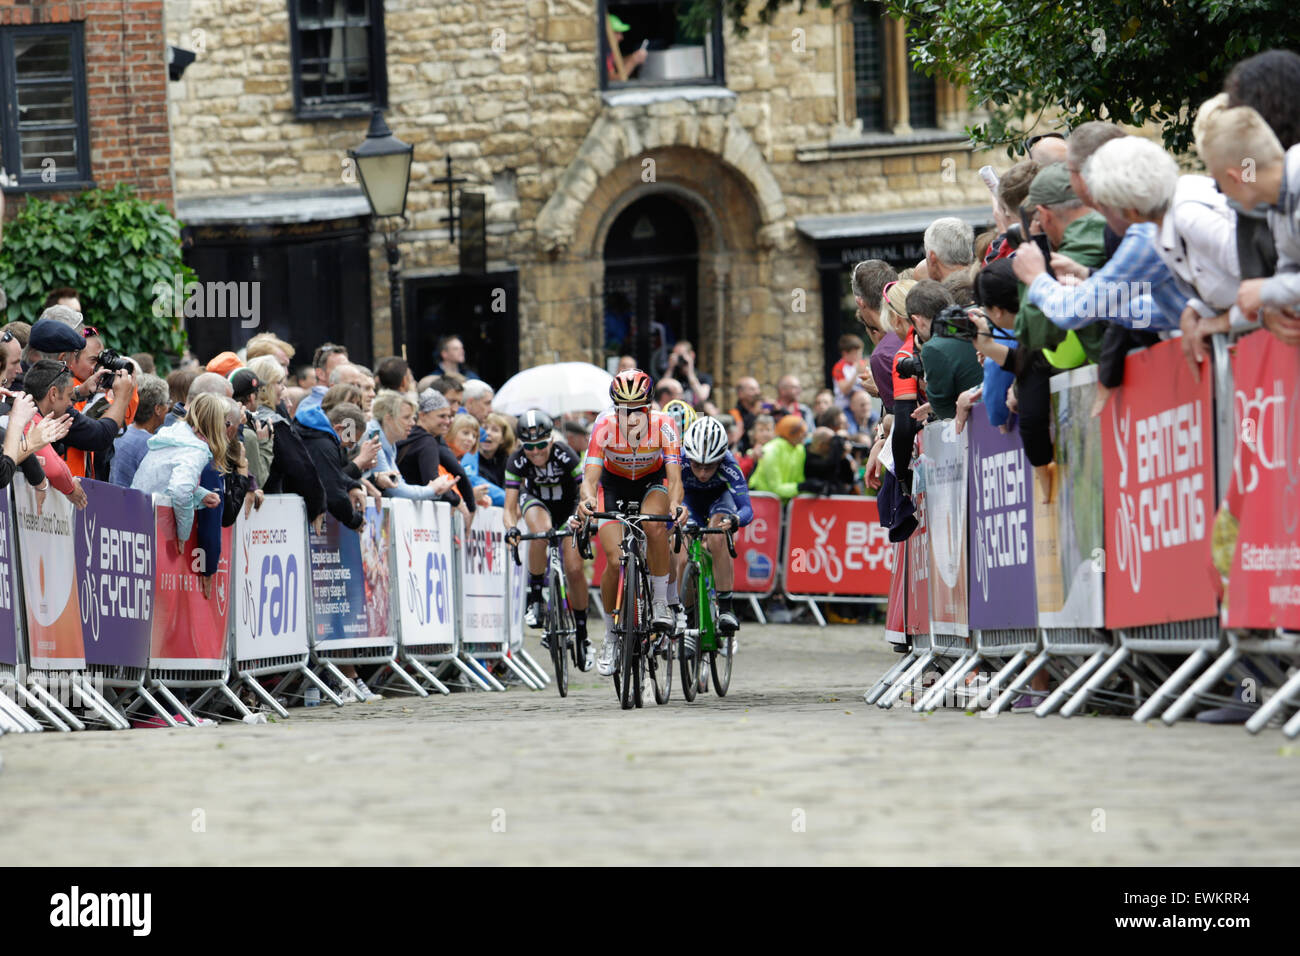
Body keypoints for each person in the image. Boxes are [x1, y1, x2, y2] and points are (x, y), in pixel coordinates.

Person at [575, 368, 684, 675]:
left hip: (652, 483)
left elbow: (674, 476)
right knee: (612, 561)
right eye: (624, 410)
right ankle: (611, 635)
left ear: (650, 407)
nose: (631, 417)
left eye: (638, 410)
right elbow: (590, 477)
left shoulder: (666, 424)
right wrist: (587, 500)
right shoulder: (604, 426)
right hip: (614, 485)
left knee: (654, 525)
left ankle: (661, 602)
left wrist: (675, 504)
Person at [503, 409, 591, 668]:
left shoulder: (566, 454)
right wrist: (510, 528)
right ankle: (535, 596)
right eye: (530, 447)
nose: (537, 452)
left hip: (569, 507)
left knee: (574, 569)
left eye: (542, 445)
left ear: (551, 441)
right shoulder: (516, 461)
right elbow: (509, 508)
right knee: (541, 531)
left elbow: (585, 493)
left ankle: (583, 633)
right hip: (537, 503)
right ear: (522, 445)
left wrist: (583, 516)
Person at [675, 415, 752, 640]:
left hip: (719, 500)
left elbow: (746, 508)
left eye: (709, 467)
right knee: (679, 551)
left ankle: (726, 608)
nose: (702, 473)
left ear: (720, 459)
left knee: (718, 534)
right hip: (688, 502)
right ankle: (689, 617)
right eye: (697, 465)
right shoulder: (678, 460)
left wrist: (736, 520)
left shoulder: (729, 464)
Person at [131, 392, 228, 547]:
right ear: (216, 425)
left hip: (136, 513)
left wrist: (200, 494)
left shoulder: (174, 434)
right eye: (225, 422)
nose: (226, 428)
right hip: (155, 526)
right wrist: (182, 535)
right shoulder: (196, 449)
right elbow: (180, 490)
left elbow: (164, 478)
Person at [395, 389, 474, 524]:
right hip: (415, 518)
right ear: (422, 415)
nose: (447, 421)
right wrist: (459, 502)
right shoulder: (427, 442)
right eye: (441, 416)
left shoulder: (408, 436)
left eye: (449, 416)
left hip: (403, 509)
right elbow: (433, 484)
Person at [21, 359, 89, 508]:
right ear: (53, 394)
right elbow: (55, 470)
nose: (70, 404)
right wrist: (71, 488)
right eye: (69, 396)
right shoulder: (28, 417)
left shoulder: (27, 410)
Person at [294, 398, 368, 530]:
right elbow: (332, 488)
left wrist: (352, 485)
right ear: (339, 428)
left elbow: (333, 473)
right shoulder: (323, 443)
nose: (349, 448)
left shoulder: (314, 433)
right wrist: (353, 519)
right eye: (350, 442)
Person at [363, 389, 447, 500]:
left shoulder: (390, 444)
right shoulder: (373, 436)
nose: (412, 423)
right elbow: (396, 490)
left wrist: (433, 490)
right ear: (388, 418)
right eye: (406, 417)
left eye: (413, 418)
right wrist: (432, 489)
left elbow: (398, 483)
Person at [110, 373, 169, 488]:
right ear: (157, 409)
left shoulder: (120, 432)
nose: (168, 408)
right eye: (167, 403)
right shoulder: (152, 445)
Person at [749, 414, 807, 503]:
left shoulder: (800, 449)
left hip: (785, 502)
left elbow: (799, 478)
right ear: (791, 433)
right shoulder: (771, 450)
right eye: (801, 431)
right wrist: (800, 487)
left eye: (768, 430)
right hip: (764, 503)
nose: (804, 435)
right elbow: (775, 487)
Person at [449, 412, 501, 507]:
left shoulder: (458, 462)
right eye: (465, 433)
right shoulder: (439, 459)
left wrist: (477, 499)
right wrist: (470, 495)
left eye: (474, 436)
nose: (470, 439)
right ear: (451, 432)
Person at [665, 339, 712, 406]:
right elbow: (660, 391)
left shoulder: (704, 377)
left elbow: (702, 397)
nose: (679, 359)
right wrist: (670, 368)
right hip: (676, 414)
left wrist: (690, 369)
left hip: (698, 414)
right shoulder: (672, 376)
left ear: (692, 355)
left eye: (681, 356)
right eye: (677, 356)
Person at [605, 12, 647, 82]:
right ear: (606, 33)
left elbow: (619, 63)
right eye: (617, 32)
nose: (621, 37)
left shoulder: (609, 50)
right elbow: (615, 81)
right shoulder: (603, 53)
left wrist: (634, 56)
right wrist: (633, 61)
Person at [478, 411, 516, 489]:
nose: (488, 433)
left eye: (495, 430)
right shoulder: (470, 460)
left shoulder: (508, 462)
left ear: (502, 438)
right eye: (485, 428)